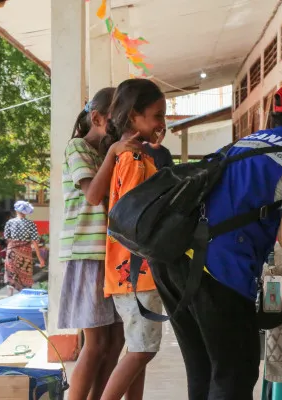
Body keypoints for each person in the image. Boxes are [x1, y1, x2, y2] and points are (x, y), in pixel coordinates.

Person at [153, 78, 282, 400]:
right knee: (235, 372)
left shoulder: (243, 144)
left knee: (203, 369)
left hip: (172, 260)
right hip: (216, 269)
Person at [57, 87, 143, 400]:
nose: (122, 129)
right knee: (95, 345)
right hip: (87, 253)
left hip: (110, 256)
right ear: (97, 118)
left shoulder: (107, 151)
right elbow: (93, 195)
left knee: (117, 340)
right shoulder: (78, 148)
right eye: (117, 120)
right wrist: (113, 153)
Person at [100, 78, 166, 400]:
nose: (161, 123)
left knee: (140, 350)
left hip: (127, 271)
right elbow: (135, 216)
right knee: (141, 352)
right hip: (136, 271)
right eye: (156, 115)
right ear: (133, 116)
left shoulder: (135, 156)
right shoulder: (134, 159)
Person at [3, 201, 46, 295]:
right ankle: (24, 299)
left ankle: (9, 298)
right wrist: (40, 258)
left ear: (16, 210)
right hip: (25, 252)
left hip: (12, 251)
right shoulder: (31, 224)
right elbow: (35, 241)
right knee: (25, 276)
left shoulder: (9, 222)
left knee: (11, 275)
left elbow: (7, 238)